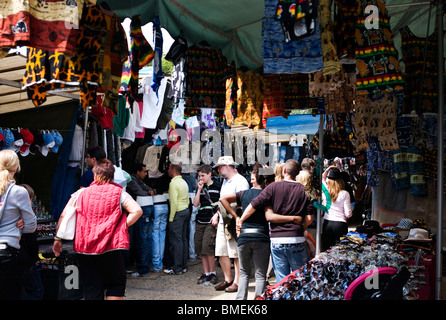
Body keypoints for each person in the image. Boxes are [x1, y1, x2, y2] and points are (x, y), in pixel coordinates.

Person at [53, 159, 142, 300]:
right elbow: (137, 211)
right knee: (116, 284)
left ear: (94, 175)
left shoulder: (80, 194)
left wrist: (58, 239)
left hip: (85, 247)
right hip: (110, 247)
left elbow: (64, 215)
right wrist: (122, 226)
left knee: (92, 287)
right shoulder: (119, 193)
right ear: (112, 177)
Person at [242, 159, 314, 283]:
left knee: (282, 281)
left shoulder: (273, 187)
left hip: (277, 240)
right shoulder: (305, 190)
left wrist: (241, 219)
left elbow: (254, 204)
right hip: (296, 238)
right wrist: (303, 227)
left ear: (284, 170)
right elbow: (309, 218)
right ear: (297, 173)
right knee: (301, 279)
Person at [221, 163, 274, 300]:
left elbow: (223, 199)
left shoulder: (244, 194)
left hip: (244, 236)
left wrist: (236, 216)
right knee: (260, 274)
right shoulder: (267, 195)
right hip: (261, 236)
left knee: (244, 272)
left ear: (255, 179)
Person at [0, 150, 37, 300]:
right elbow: (31, 224)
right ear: (15, 169)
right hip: (7, 251)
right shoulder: (18, 191)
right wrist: (20, 227)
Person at [213, 156, 249, 293]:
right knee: (222, 251)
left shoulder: (240, 181)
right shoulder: (226, 181)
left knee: (235, 253)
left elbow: (242, 203)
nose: (218, 170)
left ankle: (237, 281)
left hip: (233, 220)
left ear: (227, 166)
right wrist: (217, 213)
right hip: (224, 220)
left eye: (219, 167)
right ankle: (228, 279)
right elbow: (222, 202)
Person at [193, 164, 220, 286]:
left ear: (209, 174)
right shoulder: (200, 187)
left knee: (208, 247)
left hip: (210, 220)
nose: (201, 178)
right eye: (199, 176)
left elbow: (221, 204)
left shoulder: (217, 186)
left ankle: (213, 272)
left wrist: (217, 215)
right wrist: (199, 189)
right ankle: (206, 273)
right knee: (200, 247)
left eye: (203, 176)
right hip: (200, 219)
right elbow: (195, 204)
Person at [15, 184, 44, 300]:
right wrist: (34, 259)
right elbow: (32, 242)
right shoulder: (27, 217)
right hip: (24, 259)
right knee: (36, 291)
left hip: (9, 257)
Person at [126, 163, 155, 277]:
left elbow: (146, 189)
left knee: (143, 239)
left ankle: (143, 267)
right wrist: (149, 192)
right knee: (145, 238)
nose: (146, 174)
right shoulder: (132, 180)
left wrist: (150, 190)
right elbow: (141, 191)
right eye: (144, 171)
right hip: (143, 207)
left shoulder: (138, 180)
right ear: (138, 172)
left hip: (141, 209)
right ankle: (144, 266)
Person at [164, 162, 190, 275]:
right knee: (183, 239)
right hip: (185, 210)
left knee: (176, 241)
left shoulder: (173, 183)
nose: (168, 171)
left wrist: (171, 218)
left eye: (169, 169)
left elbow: (173, 202)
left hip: (178, 212)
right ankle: (183, 265)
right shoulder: (184, 181)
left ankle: (177, 267)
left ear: (173, 170)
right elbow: (187, 199)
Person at [321, 166, 353, 251]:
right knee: (340, 251)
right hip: (340, 224)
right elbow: (348, 214)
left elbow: (322, 179)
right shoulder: (345, 194)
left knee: (327, 251)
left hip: (327, 223)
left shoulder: (325, 192)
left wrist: (328, 169)